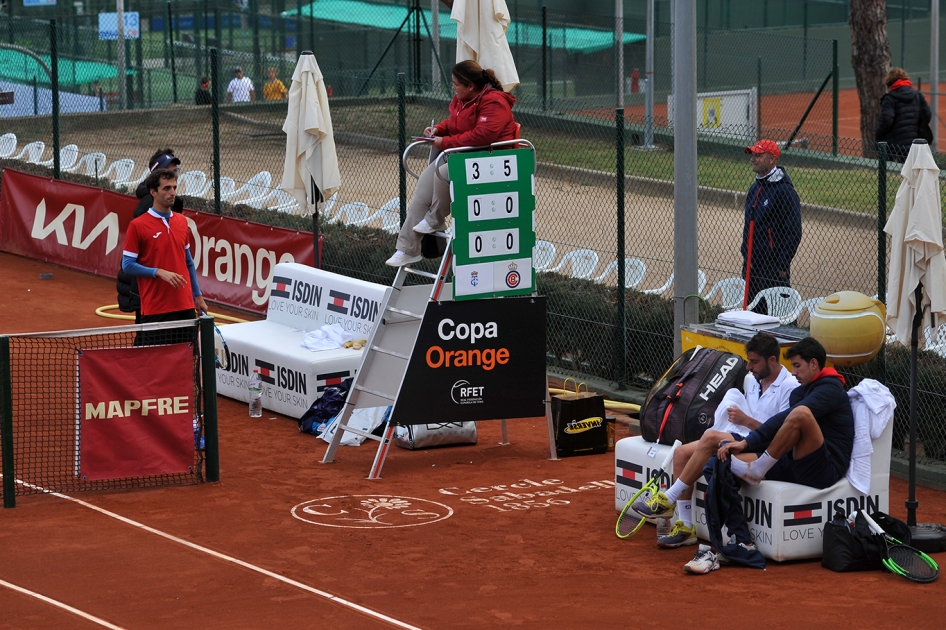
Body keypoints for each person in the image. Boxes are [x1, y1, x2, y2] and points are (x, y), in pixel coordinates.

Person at [631, 332, 798, 548]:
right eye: (749, 360)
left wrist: (746, 420)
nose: (749, 367)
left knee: (710, 437)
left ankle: (668, 498)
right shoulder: (754, 380)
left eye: (754, 362)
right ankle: (685, 527)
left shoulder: (789, 387)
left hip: (765, 447)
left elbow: (782, 434)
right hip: (745, 437)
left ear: (772, 360)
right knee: (681, 453)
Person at [384, 60, 517, 267]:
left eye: (456, 84)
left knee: (443, 172)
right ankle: (407, 249)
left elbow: (483, 136)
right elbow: (455, 123)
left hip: (490, 160)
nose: (453, 88)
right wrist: (438, 129)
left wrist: (444, 142)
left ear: (470, 86)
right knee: (422, 191)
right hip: (461, 155)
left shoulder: (494, 102)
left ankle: (435, 219)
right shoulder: (461, 99)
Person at [121, 168, 208, 345]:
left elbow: (188, 262)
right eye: (166, 188)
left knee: (185, 363)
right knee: (156, 367)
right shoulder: (137, 226)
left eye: (174, 188)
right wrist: (158, 272)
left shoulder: (182, 221)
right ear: (153, 192)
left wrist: (197, 296)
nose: (172, 193)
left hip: (185, 307)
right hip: (156, 310)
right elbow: (127, 265)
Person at [116, 149, 183, 323]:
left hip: (169, 291)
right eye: (170, 170)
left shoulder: (173, 205)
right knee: (147, 344)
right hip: (147, 291)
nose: (175, 173)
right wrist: (158, 272)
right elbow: (135, 259)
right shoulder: (146, 208)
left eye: (176, 170)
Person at [741, 139, 802, 315]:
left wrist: (782, 265)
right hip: (751, 265)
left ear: (772, 159)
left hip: (772, 268)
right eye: (753, 154)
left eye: (758, 155)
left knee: (777, 316)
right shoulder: (755, 188)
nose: (753, 159)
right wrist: (746, 253)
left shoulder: (784, 191)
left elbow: (794, 232)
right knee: (751, 315)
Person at [876, 67, 933, 162]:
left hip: (895, 144)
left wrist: (879, 133)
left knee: (891, 171)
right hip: (915, 143)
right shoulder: (918, 95)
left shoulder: (889, 98)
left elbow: (887, 119)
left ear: (889, 82)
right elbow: (927, 115)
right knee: (912, 171)